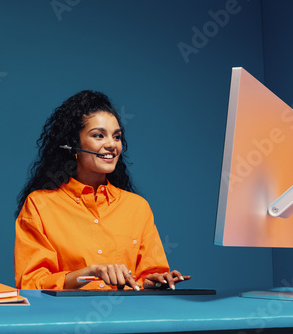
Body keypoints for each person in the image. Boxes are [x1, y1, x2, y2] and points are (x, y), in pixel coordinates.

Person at [14, 90, 190, 290]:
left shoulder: (137, 207)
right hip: (67, 319)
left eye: (116, 137)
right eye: (98, 135)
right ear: (73, 145)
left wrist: (155, 281)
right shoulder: (39, 205)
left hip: (127, 318)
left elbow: (144, 277)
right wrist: (91, 273)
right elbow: (32, 283)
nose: (111, 145)